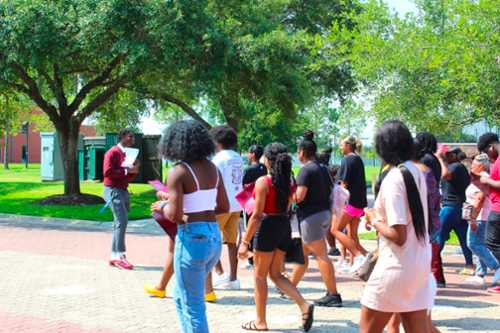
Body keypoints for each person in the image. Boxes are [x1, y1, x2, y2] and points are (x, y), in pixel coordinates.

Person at [151, 119, 230, 333]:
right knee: (180, 295)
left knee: (193, 305)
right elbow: (224, 206)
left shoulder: (177, 171)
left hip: (192, 240)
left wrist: (164, 205)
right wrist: (199, 213)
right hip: (213, 236)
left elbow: (175, 216)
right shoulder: (213, 169)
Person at [361, 120, 432, 333]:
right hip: (418, 266)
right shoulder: (417, 172)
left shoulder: (394, 178)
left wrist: (373, 217)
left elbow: (397, 235)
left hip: (394, 266)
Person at [237, 142, 314, 332]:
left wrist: (244, 243)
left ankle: (260, 322)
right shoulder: (290, 181)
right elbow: (288, 208)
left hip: (267, 228)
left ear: (269, 160)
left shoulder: (263, 181)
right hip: (284, 227)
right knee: (276, 274)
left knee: (259, 276)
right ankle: (304, 304)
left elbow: (256, 215)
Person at [291, 130, 342, 307]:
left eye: (297, 152)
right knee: (304, 253)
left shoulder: (305, 169)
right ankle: (290, 287)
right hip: (324, 214)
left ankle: (333, 295)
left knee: (321, 256)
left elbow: (300, 195)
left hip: (311, 217)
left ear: (302, 152)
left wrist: (285, 198)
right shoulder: (323, 168)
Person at [209, 125, 245, 290]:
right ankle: (233, 279)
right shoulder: (237, 156)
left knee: (211, 239)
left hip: (221, 205)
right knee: (231, 241)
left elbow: (212, 181)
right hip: (236, 203)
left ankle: (220, 273)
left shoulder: (218, 158)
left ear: (217, 142)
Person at [103, 129, 140, 270]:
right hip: (112, 190)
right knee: (122, 221)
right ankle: (120, 255)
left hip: (123, 190)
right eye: (130, 136)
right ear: (122, 137)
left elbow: (127, 177)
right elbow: (107, 172)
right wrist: (126, 171)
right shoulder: (113, 152)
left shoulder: (128, 154)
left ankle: (114, 255)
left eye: (134, 137)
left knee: (119, 223)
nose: (133, 139)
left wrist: (134, 170)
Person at [435, 146, 473, 281]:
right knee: (464, 239)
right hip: (458, 207)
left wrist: (439, 158)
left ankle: (432, 265)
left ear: (454, 155)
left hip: (451, 208)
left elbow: (446, 175)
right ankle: (469, 265)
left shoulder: (455, 167)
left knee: (439, 236)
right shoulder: (460, 167)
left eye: (447, 155)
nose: (445, 157)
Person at [332, 135, 368, 274]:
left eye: (341, 145)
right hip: (359, 203)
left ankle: (361, 256)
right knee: (353, 235)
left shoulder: (347, 160)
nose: (340, 147)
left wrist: (337, 202)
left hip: (348, 203)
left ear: (348, 146)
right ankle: (354, 265)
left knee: (335, 230)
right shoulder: (358, 160)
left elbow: (344, 183)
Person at [465, 154, 500, 286]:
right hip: (483, 216)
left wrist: (473, 218)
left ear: (480, 166)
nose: (471, 166)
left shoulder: (482, 179)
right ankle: (480, 274)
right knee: (480, 245)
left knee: (474, 244)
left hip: (481, 217)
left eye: (473, 164)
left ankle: (496, 267)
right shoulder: (483, 178)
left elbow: (479, 200)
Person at [416, 131, 445, 287]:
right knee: (431, 245)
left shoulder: (426, 160)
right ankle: (437, 276)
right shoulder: (432, 159)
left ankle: (435, 277)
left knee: (427, 246)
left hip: (427, 207)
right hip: (433, 206)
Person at [473, 132, 500, 293]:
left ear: (491, 146)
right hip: (496, 204)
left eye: (486, 151)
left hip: (498, 208)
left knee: (490, 241)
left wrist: (485, 181)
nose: (487, 156)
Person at [240, 145, 268, 270]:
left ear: (252, 154)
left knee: (249, 229)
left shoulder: (249, 169)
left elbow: (243, 186)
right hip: (262, 202)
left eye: (248, 153)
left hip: (250, 202)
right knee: (258, 229)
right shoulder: (263, 168)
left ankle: (251, 260)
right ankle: (258, 256)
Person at [317, 148, 341, 256]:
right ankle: (332, 248)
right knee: (328, 227)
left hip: (325, 203)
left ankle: (332, 248)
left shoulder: (323, 170)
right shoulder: (327, 170)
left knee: (327, 228)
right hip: (328, 203)